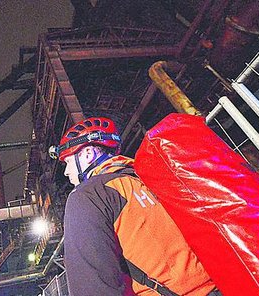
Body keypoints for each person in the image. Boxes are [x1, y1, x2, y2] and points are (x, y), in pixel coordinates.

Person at [49, 117, 218, 296]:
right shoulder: (148, 178)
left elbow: (94, 287)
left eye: (68, 162)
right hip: (222, 284)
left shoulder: (89, 196)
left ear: (88, 154)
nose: (67, 172)